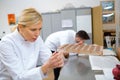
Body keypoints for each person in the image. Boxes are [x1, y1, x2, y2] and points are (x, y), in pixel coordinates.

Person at [0, 8, 64, 80]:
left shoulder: (37, 39)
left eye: (39, 29)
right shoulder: (7, 43)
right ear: (21, 27)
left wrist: (56, 60)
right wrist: (45, 67)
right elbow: (18, 77)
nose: (37, 34)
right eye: (33, 30)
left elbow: (47, 58)